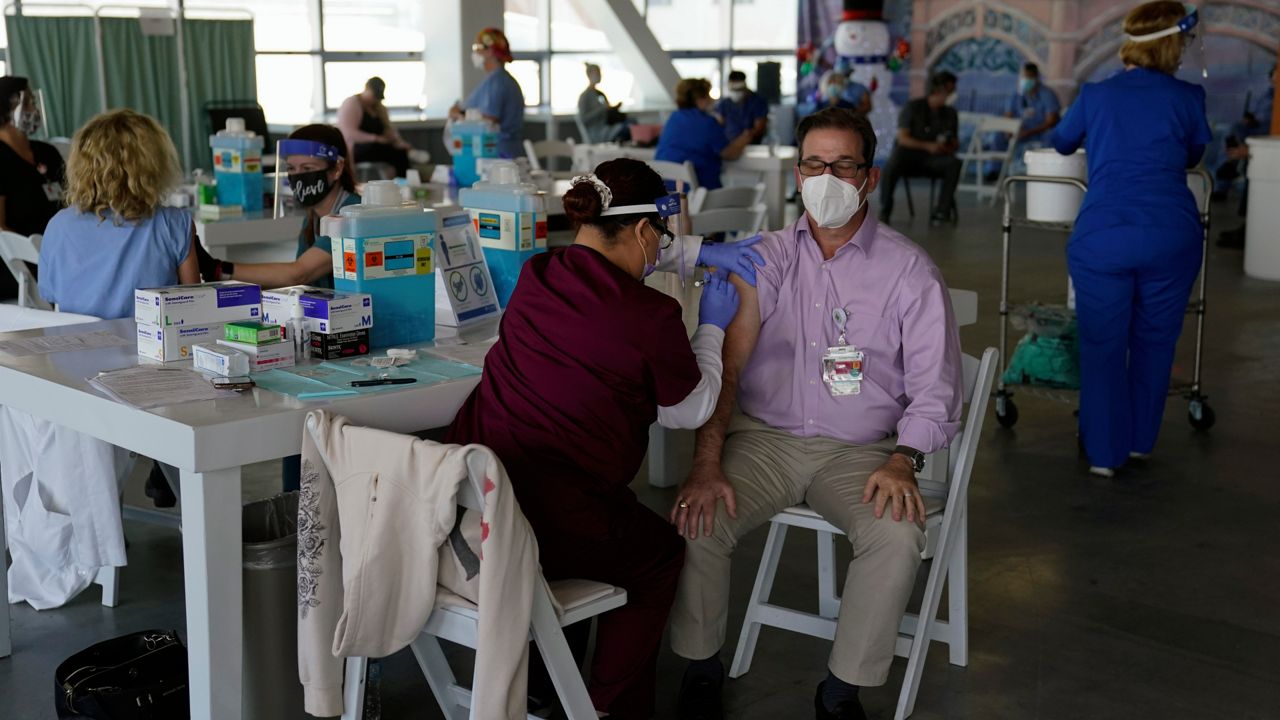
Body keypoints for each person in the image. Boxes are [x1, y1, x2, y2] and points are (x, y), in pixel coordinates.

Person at [445, 158, 767, 719]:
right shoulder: (652, 313)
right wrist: (711, 326)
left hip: (475, 499)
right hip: (552, 514)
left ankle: (544, 686)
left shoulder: (538, 274)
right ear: (646, 230)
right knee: (659, 554)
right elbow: (687, 410)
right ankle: (612, 706)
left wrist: (696, 252)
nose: (662, 244)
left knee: (594, 536)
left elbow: (615, 247)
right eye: (661, 234)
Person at [668, 107, 961, 720]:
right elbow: (730, 371)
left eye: (844, 165)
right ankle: (700, 668)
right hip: (765, 442)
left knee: (895, 531)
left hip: (863, 451)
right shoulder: (765, 257)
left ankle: (841, 690)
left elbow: (937, 384)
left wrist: (905, 459)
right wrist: (706, 462)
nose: (827, 177)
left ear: (870, 177)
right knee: (698, 515)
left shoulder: (909, 271)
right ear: (797, 173)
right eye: (814, 164)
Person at [1050, 1, 1210, 478]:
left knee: (1102, 345)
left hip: (1105, 237)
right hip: (1171, 234)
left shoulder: (1097, 95)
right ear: (1174, 46)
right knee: (1156, 341)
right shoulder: (1188, 99)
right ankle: (1140, 442)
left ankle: (1104, 455)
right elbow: (1194, 154)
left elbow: (1061, 141)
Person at [38, 109, 198, 318]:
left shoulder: (58, 225)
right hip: (150, 348)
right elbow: (194, 304)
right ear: (154, 164)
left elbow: (52, 295)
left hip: (77, 346)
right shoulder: (174, 224)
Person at [199, 124, 361, 291]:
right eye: (291, 168)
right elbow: (301, 284)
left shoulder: (350, 216)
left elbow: (299, 274)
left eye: (308, 168)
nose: (299, 176)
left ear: (337, 169)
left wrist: (219, 270)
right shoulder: (313, 218)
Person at [0, 76, 65, 300]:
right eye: (28, 103)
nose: (34, 110)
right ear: (9, 109)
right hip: (19, 263)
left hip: (62, 251)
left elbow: (75, 201)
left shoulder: (48, 153)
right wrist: (39, 253)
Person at [879, 71, 961, 226]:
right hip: (911, 155)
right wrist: (928, 146)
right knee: (894, 162)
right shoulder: (913, 107)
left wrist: (947, 146)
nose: (952, 94)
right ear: (937, 90)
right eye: (949, 91)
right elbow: (903, 138)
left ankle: (942, 211)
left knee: (954, 163)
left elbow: (956, 142)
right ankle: (885, 209)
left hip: (935, 158)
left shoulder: (950, 113)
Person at [656, 79, 753, 190]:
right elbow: (730, 154)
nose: (711, 100)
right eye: (708, 95)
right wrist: (744, 138)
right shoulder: (707, 123)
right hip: (699, 194)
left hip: (668, 196)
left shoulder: (674, 118)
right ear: (700, 99)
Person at [449, 27, 525, 159]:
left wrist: (460, 114)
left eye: (477, 47)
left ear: (490, 51)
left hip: (501, 153)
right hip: (502, 151)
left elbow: (489, 120)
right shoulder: (497, 80)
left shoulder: (498, 82)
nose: (475, 52)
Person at [986, 62, 1061, 180]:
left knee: (1051, 136)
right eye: (1023, 77)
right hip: (1020, 132)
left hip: (1040, 132)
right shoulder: (1017, 94)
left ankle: (1047, 172)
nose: (1025, 80)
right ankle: (995, 171)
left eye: (1028, 77)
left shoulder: (1047, 94)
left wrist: (1029, 132)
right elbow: (1008, 114)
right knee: (999, 135)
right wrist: (1009, 130)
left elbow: (1051, 121)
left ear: (1036, 78)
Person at [337, 77, 412, 177]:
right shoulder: (352, 103)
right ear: (366, 89)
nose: (375, 99)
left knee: (400, 152)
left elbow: (388, 129)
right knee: (398, 155)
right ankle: (402, 182)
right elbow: (349, 133)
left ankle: (403, 182)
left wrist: (398, 141)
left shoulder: (379, 108)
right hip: (358, 149)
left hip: (378, 147)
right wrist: (376, 138)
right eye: (374, 95)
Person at [714, 70, 769, 143]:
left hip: (750, 144)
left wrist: (744, 138)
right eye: (733, 90)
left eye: (739, 90)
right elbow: (719, 124)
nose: (736, 93)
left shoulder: (757, 102)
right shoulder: (725, 103)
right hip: (729, 144)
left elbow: (759, 128)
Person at [578, 63, 627, 143]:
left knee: (631, 124)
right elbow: (583, 119)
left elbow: (606, 110)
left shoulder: (599, 93)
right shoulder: (585, 96)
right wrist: (602, 109)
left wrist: (613, 107)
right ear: (589, 75)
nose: (600, 75)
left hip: (607, 126)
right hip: (598, 132)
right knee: (628, 128)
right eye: (597, 73)